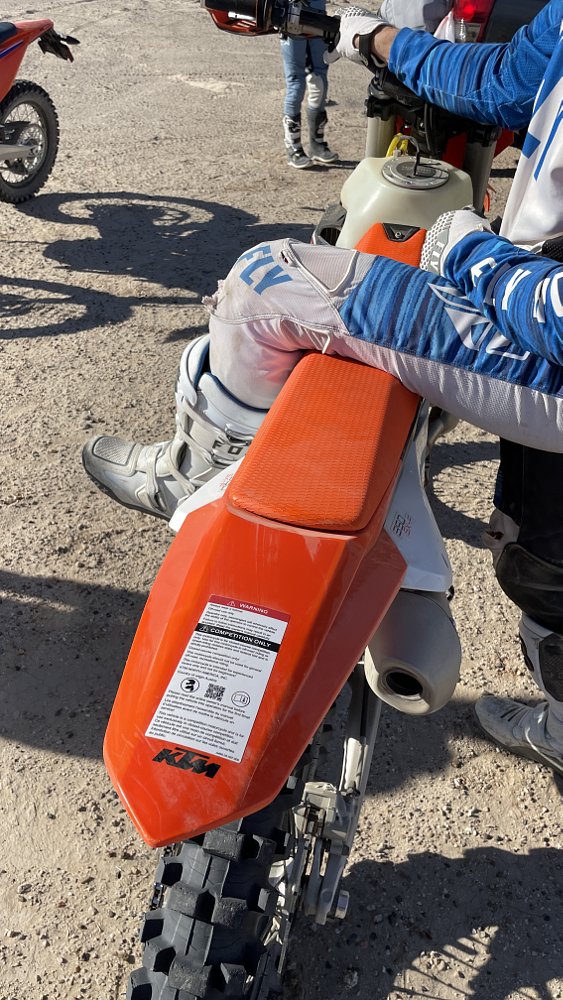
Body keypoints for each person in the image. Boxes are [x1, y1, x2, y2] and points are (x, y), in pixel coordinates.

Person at [83, 1, 563, 778]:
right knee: (546, 552)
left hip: (541, 336)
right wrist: (356, 32)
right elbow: (498, 78)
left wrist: (473, 255)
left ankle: (189, 474)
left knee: (269, 279)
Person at [280, 0, 338, 169]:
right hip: (290, 19)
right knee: (296, 84)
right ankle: (293, 148)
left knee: (319, 80)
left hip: (317, 18)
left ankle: (317, 145)